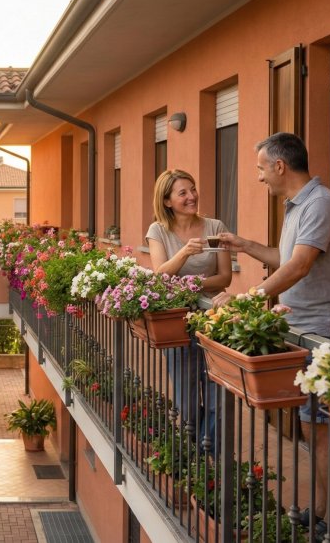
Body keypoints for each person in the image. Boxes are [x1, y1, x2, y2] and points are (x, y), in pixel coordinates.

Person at [213, 132, 330, 542]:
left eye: (260, 168)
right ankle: (324, 512)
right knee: (313, 432)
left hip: (326, 336)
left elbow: (298, 266)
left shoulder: (320, 204)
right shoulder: (296, 208)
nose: (259, 177)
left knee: (324, 434)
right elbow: (284, 258)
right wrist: (243, 244)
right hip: (303, 332)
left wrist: (248, 298)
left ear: (280, 166)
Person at [147, 169, 232, 450]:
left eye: (193, 189)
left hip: (212, 320)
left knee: (216, 391)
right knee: (185, 395)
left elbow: (225, 278)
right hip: (177, 321)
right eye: (183, 192)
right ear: (168, 200)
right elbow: (160, 277)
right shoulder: (158, 231)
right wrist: (184, 252)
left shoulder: (214, 226)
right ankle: (194, 440)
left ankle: (211, 448)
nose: (192, 196)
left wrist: (189, 286)